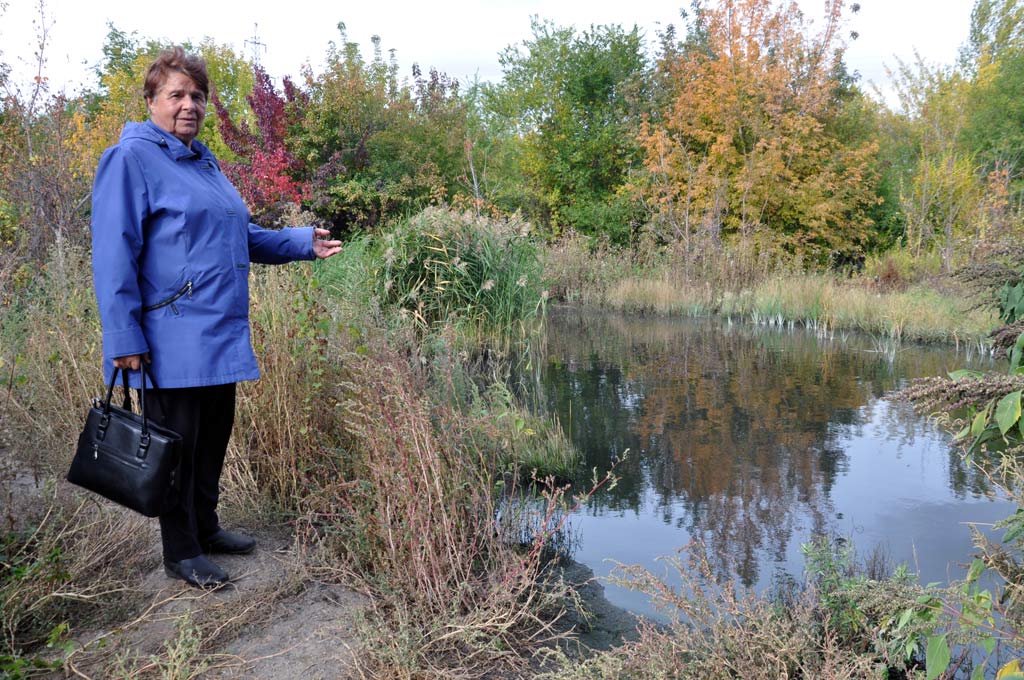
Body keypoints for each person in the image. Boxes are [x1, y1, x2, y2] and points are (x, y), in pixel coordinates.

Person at [90, 47, 341, 588]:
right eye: (176, 95)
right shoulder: (130, 159)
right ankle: (180, 551)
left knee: (211, 443)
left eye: (197, 96)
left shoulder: (206, 163)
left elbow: (238, 236)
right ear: (151, 101)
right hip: (168, 337)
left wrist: (301, 242)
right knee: (174, 448)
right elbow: (114, 252)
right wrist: (123, 336)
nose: (189, 105)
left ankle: (205, 528)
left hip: (219, 334)